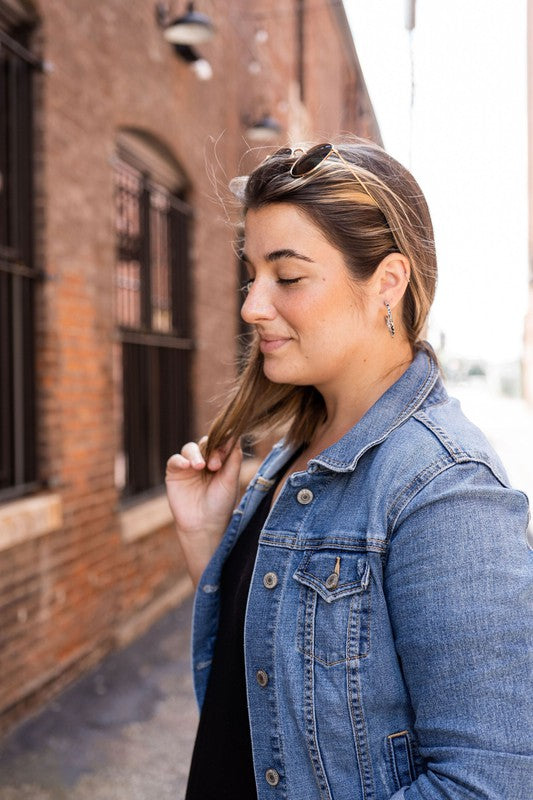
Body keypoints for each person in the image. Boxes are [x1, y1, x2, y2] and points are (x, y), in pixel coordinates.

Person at [165, 139, 533, 800]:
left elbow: (489, 781)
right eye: (252, 275)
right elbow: (271, 693)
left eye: (288, 275)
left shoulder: (444, 488)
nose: (252, 305)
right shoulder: (296, 448)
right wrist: (208, 545)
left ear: (386, 283)